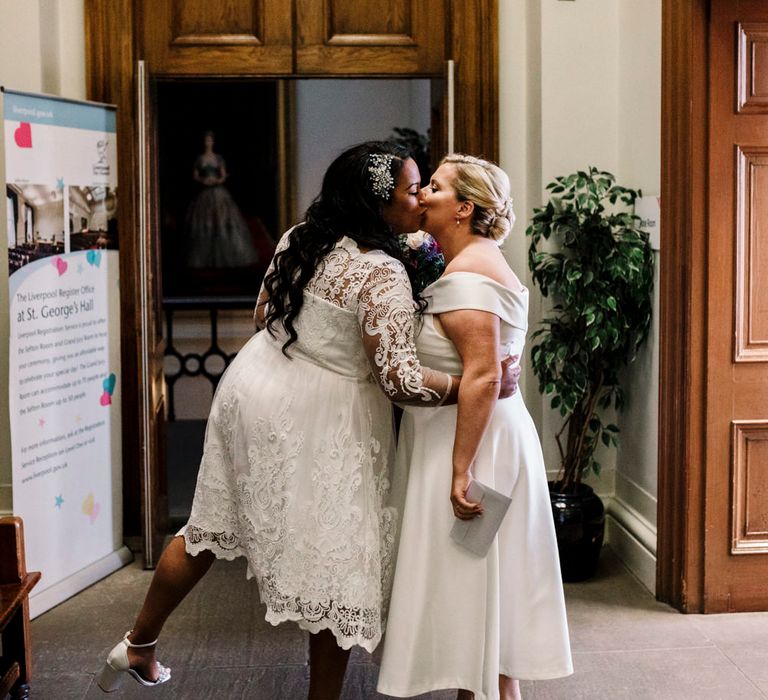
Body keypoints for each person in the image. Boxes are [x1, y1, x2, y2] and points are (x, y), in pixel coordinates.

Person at [98, 142, 518, 698]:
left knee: (208, 525)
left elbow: (263, 312)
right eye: (411, 190)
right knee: (339, 562)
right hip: (327, 411)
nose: (419, 201)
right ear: (378, 202)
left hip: (259, 382)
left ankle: (138, 642)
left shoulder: (303, 236)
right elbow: (402, 383)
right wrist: (469, 386)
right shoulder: (381, 273)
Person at [377, 155, 573, 700]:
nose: (421, 197)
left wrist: (460, 470)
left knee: (471, 587)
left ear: (464, 208)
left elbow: (484, 377)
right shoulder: (479, 259)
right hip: (490, 435)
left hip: (473, 445)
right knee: (486, 596)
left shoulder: (467, 274)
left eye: (434, 189)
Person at [184, 130, 259, 268]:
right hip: (205, 194)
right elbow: (195, 175)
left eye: (210, 140)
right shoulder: (200, 159)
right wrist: (204, 181)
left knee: (223, 221)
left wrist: (217, 180)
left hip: (218, 193)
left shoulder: (218, 158)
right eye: (206, 140)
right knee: (204, 223)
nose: (208, 143)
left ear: (213, 142)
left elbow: (223, 175)